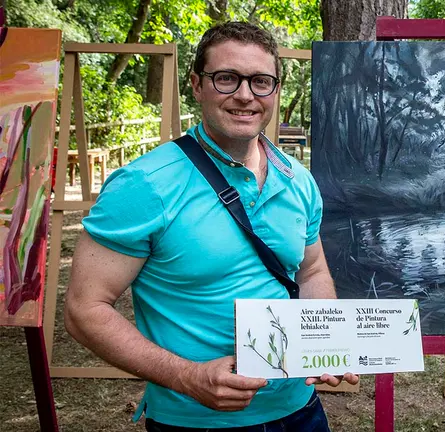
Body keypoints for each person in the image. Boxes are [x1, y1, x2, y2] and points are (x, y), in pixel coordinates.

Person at [63, 21, 358, 431]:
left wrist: (323, 344)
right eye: (226, 78)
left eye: (260, 82)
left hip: (299, 408)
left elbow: (310, 271)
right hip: (196, 419)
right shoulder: (145, 184)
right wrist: (189, 377)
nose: (244, 95)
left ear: (275, 91)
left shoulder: (298, 179)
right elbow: (84, 309)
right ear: (197, 85)